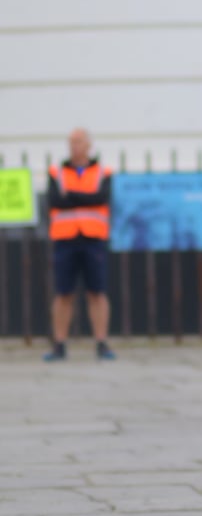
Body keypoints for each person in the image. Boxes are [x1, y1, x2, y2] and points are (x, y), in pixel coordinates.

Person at [44, 128, 115, 361]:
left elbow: (101, 198)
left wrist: (70, 197)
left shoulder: (103, 171)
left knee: (97, 292)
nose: (75, 146)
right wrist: (85, 198)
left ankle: (102, 343)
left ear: (88, 145)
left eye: (79, 141)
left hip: (93, 239)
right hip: (65, 239)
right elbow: (55, 200)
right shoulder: (57, 172)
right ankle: (59, 344)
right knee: (64, 293)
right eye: (71, 142)